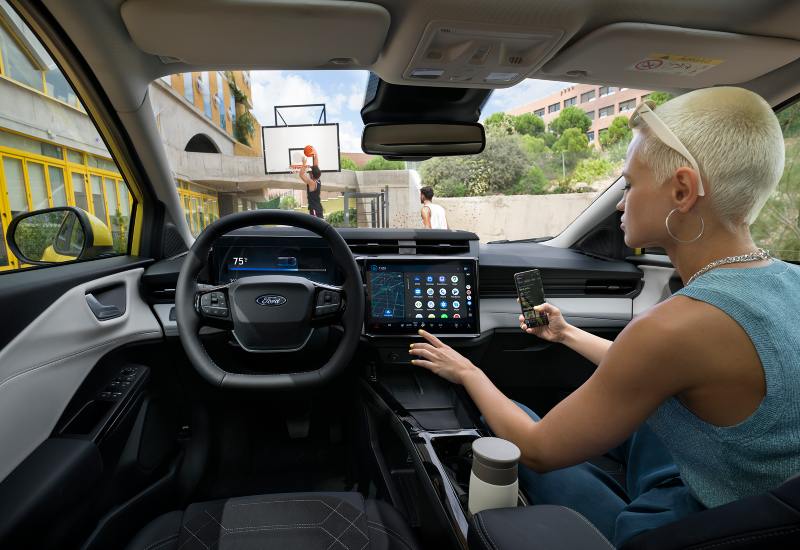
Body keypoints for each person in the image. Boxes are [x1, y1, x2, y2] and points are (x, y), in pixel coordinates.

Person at [408, 87, 800, 546]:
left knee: (514, 418)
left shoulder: (677, 326)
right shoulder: (788, 280)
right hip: (752, 506)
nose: (618, 202)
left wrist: (468, 372)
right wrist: (567, 333)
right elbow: (652, 367)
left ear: (682, 190)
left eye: (629, 184)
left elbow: (537, 449)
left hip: (699, 530)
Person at [298, 149, 324, 218]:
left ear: (312, 175)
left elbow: (301, 175)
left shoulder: (312, 183)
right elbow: (316, 165)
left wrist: (304, 164)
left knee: (316, 223)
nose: (309, 172)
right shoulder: (318, 179)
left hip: (315, 210)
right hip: (318, 208)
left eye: (310, 172)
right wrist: (315, 154)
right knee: (320, 223)